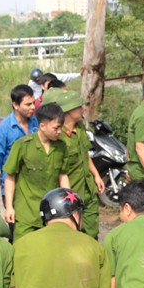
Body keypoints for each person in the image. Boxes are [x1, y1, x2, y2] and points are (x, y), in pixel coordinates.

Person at [3, 102, 71, 241]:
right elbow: (10, 177)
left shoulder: (61, 146)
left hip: (51, 214)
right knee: (22, 251)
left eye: (61, 128)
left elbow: (63, 175)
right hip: (26, 214)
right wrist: (9, 207)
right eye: (56, 128)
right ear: (42, 126)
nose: (59, 131)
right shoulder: (23, 145)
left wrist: (68, 203)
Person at [46, 89, 105, 239]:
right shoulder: (58, 137)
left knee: (92, 232)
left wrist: (96, 176)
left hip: (88, 188)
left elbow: (85, 155)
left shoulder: (80, 129)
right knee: (74, 234)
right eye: (78, 107)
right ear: (68, 111)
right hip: (72, 192)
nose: (82, 109)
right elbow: (59, 171)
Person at [0, 84, 38, 210]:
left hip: (35, 187)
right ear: (15, 105)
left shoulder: (36, 122)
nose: (32, 107)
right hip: (13, 189)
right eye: (28, 104)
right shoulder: (2, 130)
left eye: (33, 103)